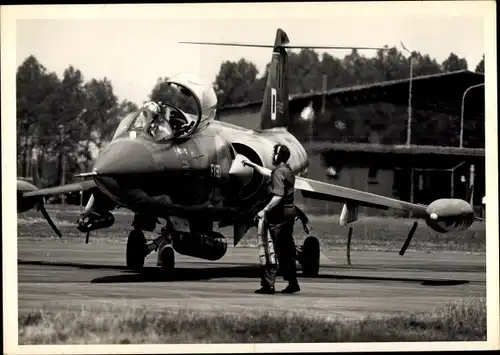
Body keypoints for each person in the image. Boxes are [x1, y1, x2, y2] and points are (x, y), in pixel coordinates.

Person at [248, 143, 301, 294]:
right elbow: (267, 172)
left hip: (278, 216)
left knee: (268, 248)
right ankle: (293, 283)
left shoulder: (278, 173)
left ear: (277, 156)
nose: (272, 156)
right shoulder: (287, 171)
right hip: (289, 214)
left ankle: (268, 285)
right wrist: (251, 164)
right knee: (286, 250)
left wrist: (264, 211)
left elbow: (278, 196)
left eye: (273, 154)